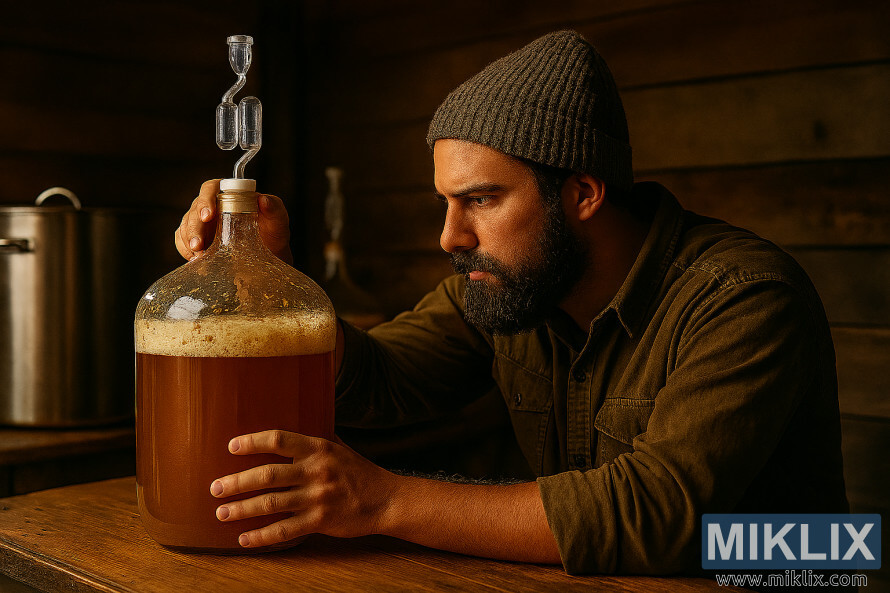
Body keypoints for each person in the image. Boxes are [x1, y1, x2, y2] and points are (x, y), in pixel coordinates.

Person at [174, 31, 848, 575]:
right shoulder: (513, 289)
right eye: (445, 201)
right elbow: (381, 379)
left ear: (583, 192)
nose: (449, 235)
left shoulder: (745, 299)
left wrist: (385, 499)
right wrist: (275, 276)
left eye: (481, 199)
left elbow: (657, 513)